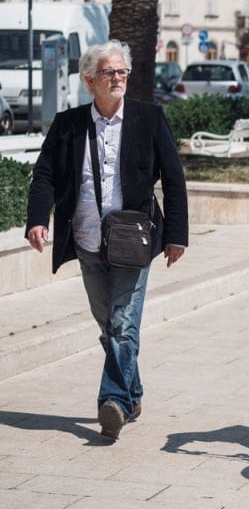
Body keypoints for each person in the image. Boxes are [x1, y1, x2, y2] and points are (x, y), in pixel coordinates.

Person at [25, 40, 189, 441]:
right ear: (89, 81)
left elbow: (173, 177)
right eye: (108, 72)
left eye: (122, 72)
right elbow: (45, 174)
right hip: (87, 239)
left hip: (135, 240)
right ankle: (133, 392)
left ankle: (113, 401)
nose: (117, 78)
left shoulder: (149, 118)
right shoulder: (68, 124)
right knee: (109, 323)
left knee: (122, 324)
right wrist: (37, 220)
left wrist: (176, 235)